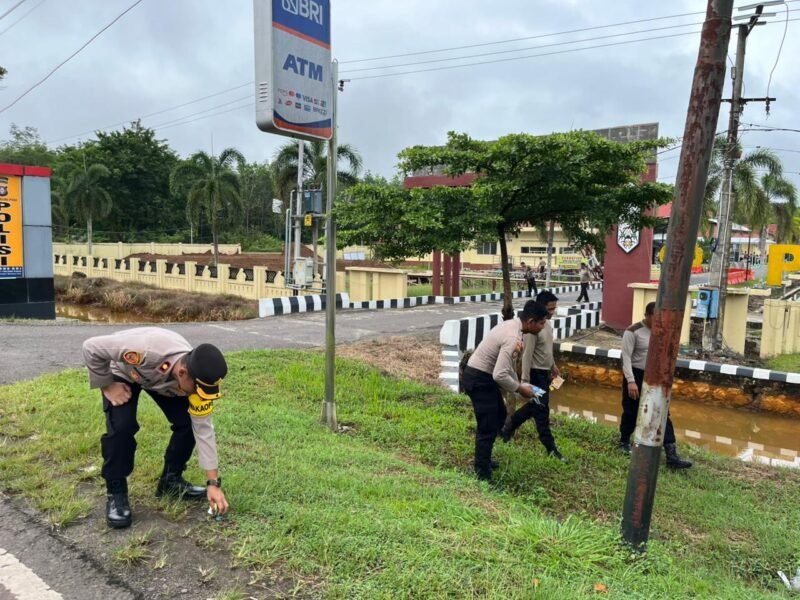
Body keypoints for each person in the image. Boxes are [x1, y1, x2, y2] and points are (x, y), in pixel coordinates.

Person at [82, 327, 231, 528]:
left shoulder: (196, 383)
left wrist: (213, 484)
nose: (201, 395)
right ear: (182, 373)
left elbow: (204, 430)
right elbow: (91, 347)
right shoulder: (144, 351)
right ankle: (116, 491)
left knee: (187, 423)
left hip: (163, 383)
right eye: (198, 389)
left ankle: (171, 481)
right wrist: (107, 385)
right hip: (126, 372)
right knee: (122, 427)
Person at [461, 300, 549, 481]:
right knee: (488, 423)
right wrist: (520, 389)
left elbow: (505, 367)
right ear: (531, 322)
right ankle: (481, 472)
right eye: (541, 323)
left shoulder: (515, 327)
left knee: (500, 415)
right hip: (479, 379)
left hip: (483, 377)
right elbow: (499, 374)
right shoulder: (513, 338)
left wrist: (520, 387)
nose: (542, 327)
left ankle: (484, 459)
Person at [619, 302, 692, 469]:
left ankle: (672, 456)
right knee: (631, 410)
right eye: (656, 317)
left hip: (656, 377)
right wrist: (630, 381)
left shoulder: (662, 331)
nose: (659, 320)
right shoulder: (633, 331)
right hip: (636, 375)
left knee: (662, 413)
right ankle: (624, 441)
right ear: (647, 315)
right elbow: (626, 358)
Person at [501, 291, 565, 461]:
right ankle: (551, 448)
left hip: (545, 373)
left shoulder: (547, 326)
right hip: (535, 374)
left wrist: (553, 366)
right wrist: (525, 381)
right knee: (542, 412)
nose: (553, 312)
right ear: (541, 308)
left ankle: (507, 428)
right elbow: (527, 355)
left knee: (536, 407)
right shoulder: (533, 329)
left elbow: (547, 350)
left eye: (554, 308)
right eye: (550, 309)